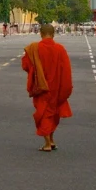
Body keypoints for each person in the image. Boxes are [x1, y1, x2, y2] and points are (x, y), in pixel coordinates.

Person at [21, 24, 73, 152]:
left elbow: (26, 65)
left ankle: (48, 143)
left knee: (44, 114)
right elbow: (66, 70)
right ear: (54, 34)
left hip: (42, 87)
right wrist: (66, 88)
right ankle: (51, 139)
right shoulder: (60, 49)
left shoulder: (34, 48)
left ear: (41, 34)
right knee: (53, 113)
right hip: (57, 88)